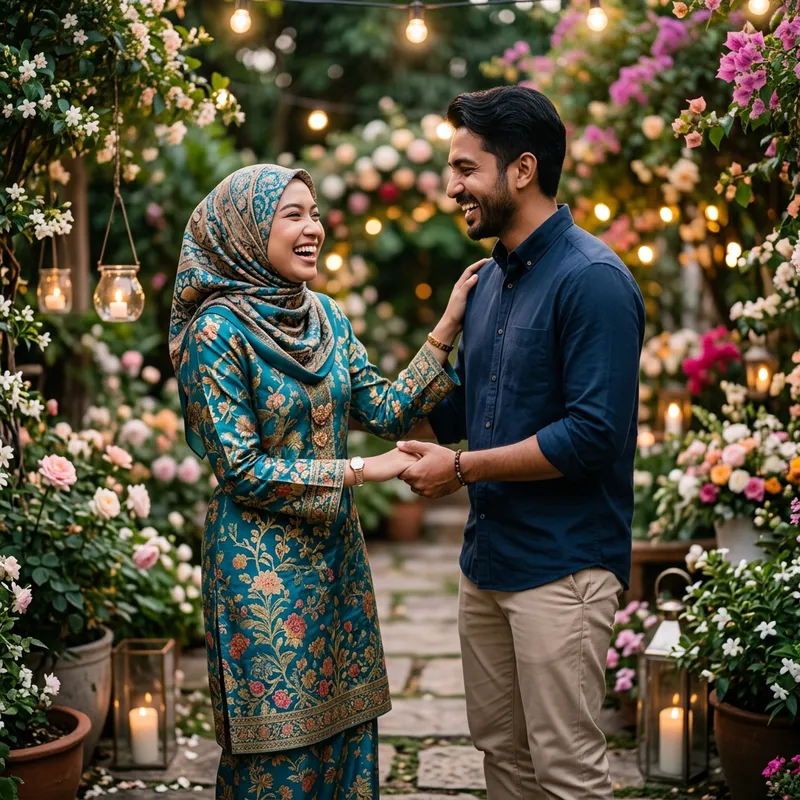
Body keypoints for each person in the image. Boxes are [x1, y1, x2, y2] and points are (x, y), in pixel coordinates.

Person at [168, 164, 482, 798]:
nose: (312, 228)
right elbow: (242, 469)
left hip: (335, 562)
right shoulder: (215, 332)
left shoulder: (327, 318)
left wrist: (446, 327)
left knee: (345, 733)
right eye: (293, 215)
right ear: (247, 232)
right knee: (278, 749)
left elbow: (388, 410)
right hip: (260, 574)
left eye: (313, 213)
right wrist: (363, 470)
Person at [398, 86, 646, 799]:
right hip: (488, 564)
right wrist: (437, 341)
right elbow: (462, 419)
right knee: (502, 759)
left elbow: (593, 434)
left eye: (466, 168)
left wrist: (463, 468)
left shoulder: (593, 281)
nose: (453, 188)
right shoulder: (484, 286)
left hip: (564, 572)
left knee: (566, 771)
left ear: (522, 169)